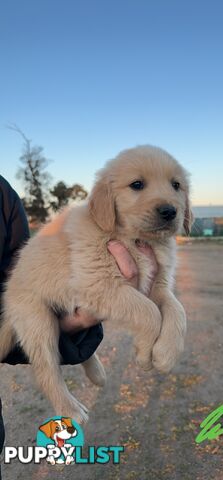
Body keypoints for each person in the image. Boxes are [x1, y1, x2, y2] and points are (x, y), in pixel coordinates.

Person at [0, 175, 157, 479]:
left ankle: (86, 356)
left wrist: (80, 326)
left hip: (33, 295)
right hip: (26, 303)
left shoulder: (2, 194)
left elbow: (15, 273)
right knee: (39, 337)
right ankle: (65, 404)